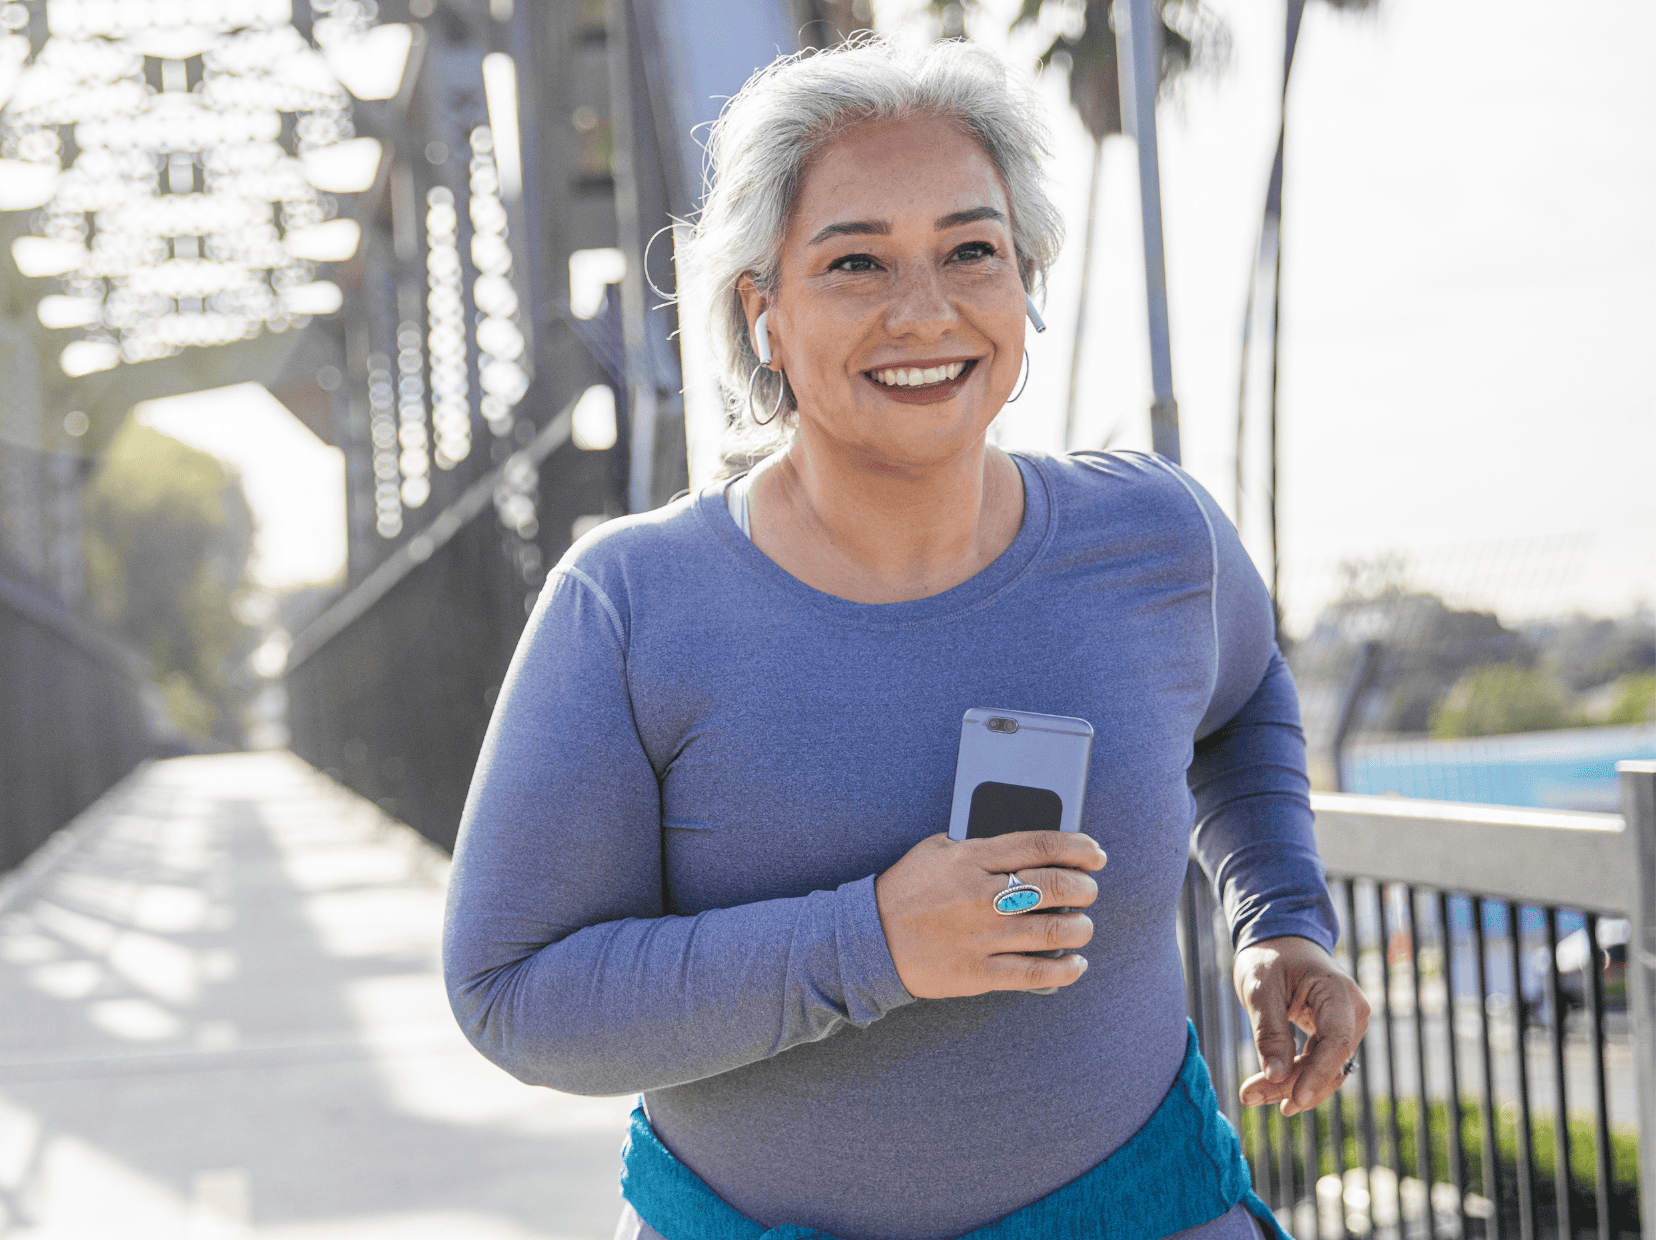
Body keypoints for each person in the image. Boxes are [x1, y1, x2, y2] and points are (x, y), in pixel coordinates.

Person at [444, 36, 1369, 1240]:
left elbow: (1244, 703)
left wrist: (1280, 915)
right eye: (856, 262)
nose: (925, 310)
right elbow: (511, 992)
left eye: (972, 250)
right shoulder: (628, 606)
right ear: (763, 313)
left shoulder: (1157, 538)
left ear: (1025, 280)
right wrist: (870, 942)